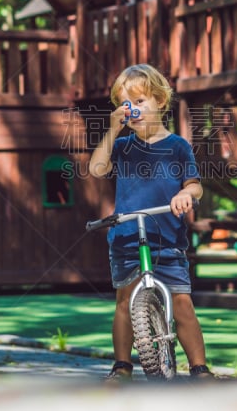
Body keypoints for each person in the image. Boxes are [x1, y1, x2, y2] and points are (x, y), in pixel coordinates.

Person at [89, 63, 213, 380]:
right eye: (125, 105)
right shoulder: (122, 146)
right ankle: (122, 365)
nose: (133, 110)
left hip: (167, 239)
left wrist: (186, 195)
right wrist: (112, 129)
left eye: (140, 101)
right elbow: (97, 169)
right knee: (124, 303)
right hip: (127, 237)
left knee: (182, 303)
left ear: (159, 101)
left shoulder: (177, 147)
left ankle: (199, 368)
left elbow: (194, 183)